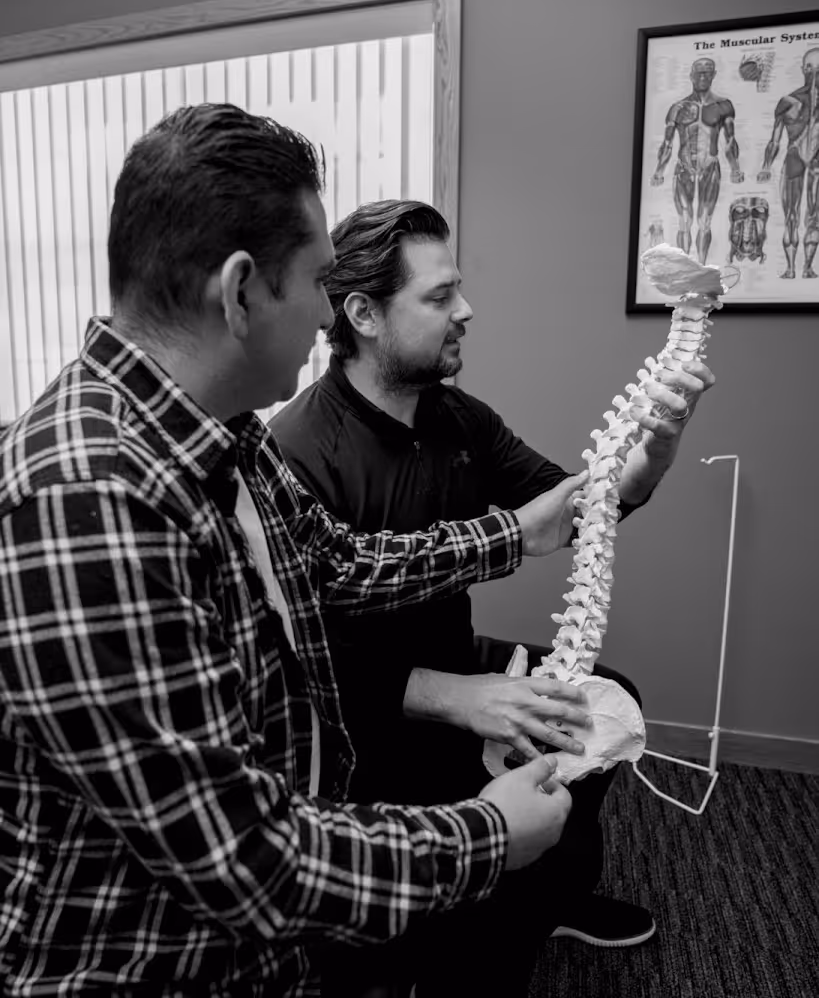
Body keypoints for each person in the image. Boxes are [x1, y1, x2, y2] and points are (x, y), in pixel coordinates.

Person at [0, 105, 597, 997]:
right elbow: (242, 856)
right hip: (153, 963)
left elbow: (336, 564)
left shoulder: (221, 433)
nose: (330, 314)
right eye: (319, 282)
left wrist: (518, 531)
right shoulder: (88, 496)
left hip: (271, 924)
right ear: (241, 292)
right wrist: (485, 837)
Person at [269, 199, 715, 997]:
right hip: (363, 712)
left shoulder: (456, 417)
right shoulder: (299, 451)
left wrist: (657, 444)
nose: (465, 311)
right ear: (364, 313)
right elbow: (302, 661)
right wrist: (459, 700)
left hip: (455, 656)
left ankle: (552, 900)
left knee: (603, 701)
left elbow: (578, 510)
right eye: (439, 297)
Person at [650, 57, 744, 264]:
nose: (703, 76)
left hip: (710, 167)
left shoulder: (723, 106)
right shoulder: (677, 107)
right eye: (699, 72)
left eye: (707, 72)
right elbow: (667, 143)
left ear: (714, 75)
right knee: (684, 221)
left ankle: (700, 267)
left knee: (705, 222)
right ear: (691, 75)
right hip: (684, 168)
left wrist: (735, 168)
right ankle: (686, 268)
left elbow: (730, 140)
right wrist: (659, 171)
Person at [757, 47, 819, 279]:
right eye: (811, 68)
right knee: (791, 215)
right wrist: (765, 166)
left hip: (816, 164)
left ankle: (808, 267)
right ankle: (791, 268)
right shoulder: (788, 101)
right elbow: (775, 140)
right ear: (804, 69)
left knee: (814, 215)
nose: (815, 74)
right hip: (793, 159)